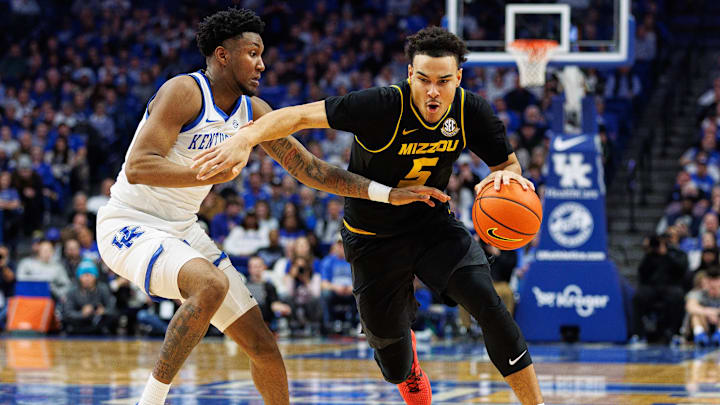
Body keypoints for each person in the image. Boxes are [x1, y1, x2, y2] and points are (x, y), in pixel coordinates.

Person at [95, 8, 446, 405]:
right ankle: (150, 401)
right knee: (210, 284)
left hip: (182, 228)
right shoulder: (184, 91)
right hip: (129, 224)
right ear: (223, 55)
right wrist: (209, 173)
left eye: (262, 53)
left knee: (264, 348)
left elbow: (311, 169)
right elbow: (139, 167)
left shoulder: (254, 112)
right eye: (253, 52)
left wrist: (387, 193)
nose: (262, 63)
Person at [193, 25, 544, 405]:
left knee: (490, 308)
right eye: (423, 79)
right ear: (410, 74)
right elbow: (297, 117)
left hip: (433, 226)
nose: (432, 91)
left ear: (457, 78)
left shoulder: (469, 109)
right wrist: (245, 138)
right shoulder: (380, 105)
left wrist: (501, 180)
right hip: (372, 238)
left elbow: (508, 166)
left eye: (443, 81)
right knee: (394, 365)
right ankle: (407, 365)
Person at [686, 267, 720, 346]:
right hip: (705, 325)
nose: (714, 283)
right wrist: (709, 313)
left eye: (716, 280)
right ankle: (700, 336)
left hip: (717, 324)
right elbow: (690, 307)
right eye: (711, 280)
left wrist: (716, 314)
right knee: (696, 315)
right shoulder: (698, 293)